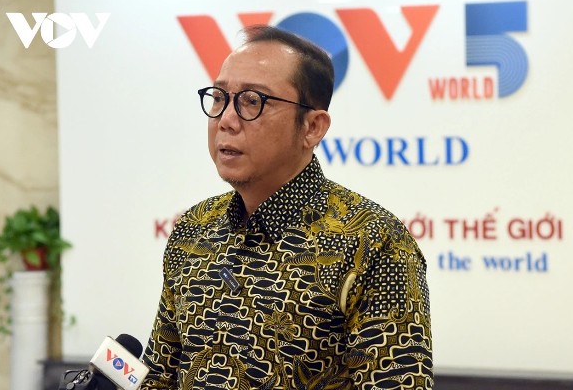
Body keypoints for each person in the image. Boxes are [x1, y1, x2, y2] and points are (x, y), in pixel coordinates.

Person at [140, 25, 433, 390]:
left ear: (313, 127)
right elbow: (159, 375)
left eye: (252, 101)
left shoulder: (374, 241)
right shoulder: (195, 228)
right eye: (219, 97)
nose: (226, 120)